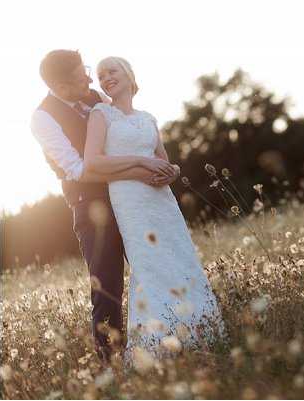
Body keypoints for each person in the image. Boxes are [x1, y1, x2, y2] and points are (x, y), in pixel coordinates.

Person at [31, 50, 180, 363]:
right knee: (108, 286)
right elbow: (79, 169)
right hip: (93, 207)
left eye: (85, 70)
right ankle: (111, 363)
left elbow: (129, 131)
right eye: (77, 77)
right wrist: (141, 167)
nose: (88, 78)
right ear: (58, 85)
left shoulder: (97, 96)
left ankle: (170, 337)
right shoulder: (42, 118)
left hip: (131, 197)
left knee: (155, 267)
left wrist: (156, 165)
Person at [84, 56, 225, 363]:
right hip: (130, 198)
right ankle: (158, 345)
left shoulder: (148, 118)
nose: (106, 77)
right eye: (100, 74)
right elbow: (93, 162)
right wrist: (140, 162)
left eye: (112, 71)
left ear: (129, 75)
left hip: (161, 199)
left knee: (179, 257)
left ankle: (199, 331)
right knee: (149, 263)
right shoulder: (101, 114)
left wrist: (172, 170)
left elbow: (166, 159)